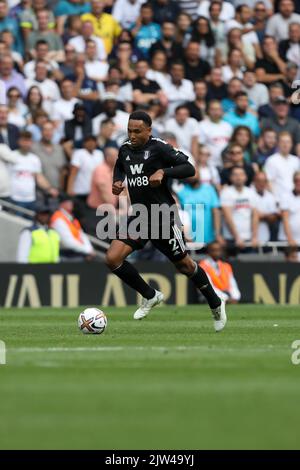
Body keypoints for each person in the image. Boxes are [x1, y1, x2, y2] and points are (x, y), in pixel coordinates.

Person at [106, 110, 227, 331]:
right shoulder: (124, 149)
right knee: (113, 258)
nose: (132, 135)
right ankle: (150, 295)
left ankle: (216, 303)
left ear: (149, 130)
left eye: (137, 131)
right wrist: (117, 181)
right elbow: (119, 167)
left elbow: (190, 168)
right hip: (140, 216)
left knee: (185, 265)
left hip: (163, 216)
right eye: (129, 131)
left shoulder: (159, 147)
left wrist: (163, 171)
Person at [220, 166, 259, 250]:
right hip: (231, 238)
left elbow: (255, 215)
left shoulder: (251, 192)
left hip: (249, 238)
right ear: (231, 178)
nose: (238, 177)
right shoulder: (226, 192)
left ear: (245, 177)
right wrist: (237, 237)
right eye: (235, 175)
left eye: (241, 174)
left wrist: (254, 236)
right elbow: (227, 217)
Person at [50, 194, 95, 261]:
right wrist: (87, 250)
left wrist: (89, 249)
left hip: (78, 252)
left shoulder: (71, 218)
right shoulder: (58, 218)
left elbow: (82, 235)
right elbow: (67, 242)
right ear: (61, 204)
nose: (70, 203)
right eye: (67, 202)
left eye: (70, 201)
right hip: (66, 254)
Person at [264, 131, 300, 201]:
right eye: (283, 142)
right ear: (278, 144)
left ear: (291, 144)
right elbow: (268, 181)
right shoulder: (271, 160)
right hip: (278, 199)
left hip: (295, 199)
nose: (285, 144)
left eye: (288, 142)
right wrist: (274, 199)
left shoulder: (296, 160)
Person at [251, 171, 279, 244]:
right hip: (250, 236)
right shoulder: (248, 194)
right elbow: (251, 215)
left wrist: (259, 215)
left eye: (264, 181)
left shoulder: (270, 196)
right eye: (259, 181)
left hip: (266, 235)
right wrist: (266, 216)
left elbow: (274, 217)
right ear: (254, 181)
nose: (261, 183)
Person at [279, 171, 300, 248]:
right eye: (296, 180)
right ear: (293, 181)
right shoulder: (285, 196)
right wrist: (290, 239)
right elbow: (285, 219)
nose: (298, 183)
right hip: (288, 240)